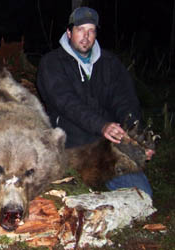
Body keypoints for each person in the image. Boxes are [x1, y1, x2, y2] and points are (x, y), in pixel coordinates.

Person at [36, 7, 154, 196]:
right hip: (70, 147)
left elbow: (125, 100)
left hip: (107, 148)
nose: (86, 36)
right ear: (69, 32)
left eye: (91, 30)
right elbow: (65, 102)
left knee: (141, 196)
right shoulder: (52, 63)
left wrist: (134, 135)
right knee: (68, 202)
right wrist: (102, 125)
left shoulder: (110, 63)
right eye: (80, 30)